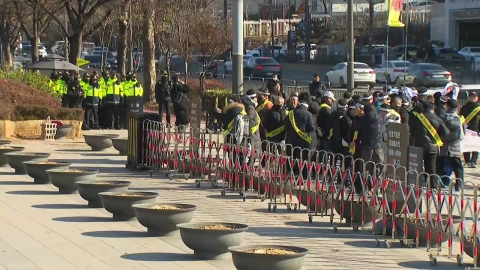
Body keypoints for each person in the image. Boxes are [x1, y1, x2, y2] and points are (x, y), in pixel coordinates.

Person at [410, 102, 450, 188]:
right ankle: (433, 186)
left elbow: (411, 131)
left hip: (419, 146)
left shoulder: (418, 118)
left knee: (419, 166)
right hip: (433, 147)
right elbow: (446, 133)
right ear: (433, 109)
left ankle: (420, 184)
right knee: (432, 167)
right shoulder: (438, 119)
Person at [285, 99, 316, 178]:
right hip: (303, 141)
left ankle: (292, 175)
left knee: (293, 158)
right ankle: (303, 176)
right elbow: (312, 128)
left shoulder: (290, 113)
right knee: (303, 159)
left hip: (291, 141)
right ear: (306, 107)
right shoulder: (308, 114)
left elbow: (286, 126)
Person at [438, 99, 464, 191]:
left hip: (443, 147)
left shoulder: (442, 117)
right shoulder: (460, 118)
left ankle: (443, 184)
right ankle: (459, 185)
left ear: (447, 106)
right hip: (455, 147)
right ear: (457, 107)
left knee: (441, 166)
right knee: (458, 168)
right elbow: (461, 135)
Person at [460, 92, 480, 168]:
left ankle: (473, 161)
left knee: (476, 146)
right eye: (471, 97)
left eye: (475, 97)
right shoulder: (464, 107)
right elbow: (461, 117)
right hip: (466, 129)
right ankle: (467, 161)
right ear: (468, 98)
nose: (473, 98)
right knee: (466, 145)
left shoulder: (478, 107)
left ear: (477, 98)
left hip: (476, 129)